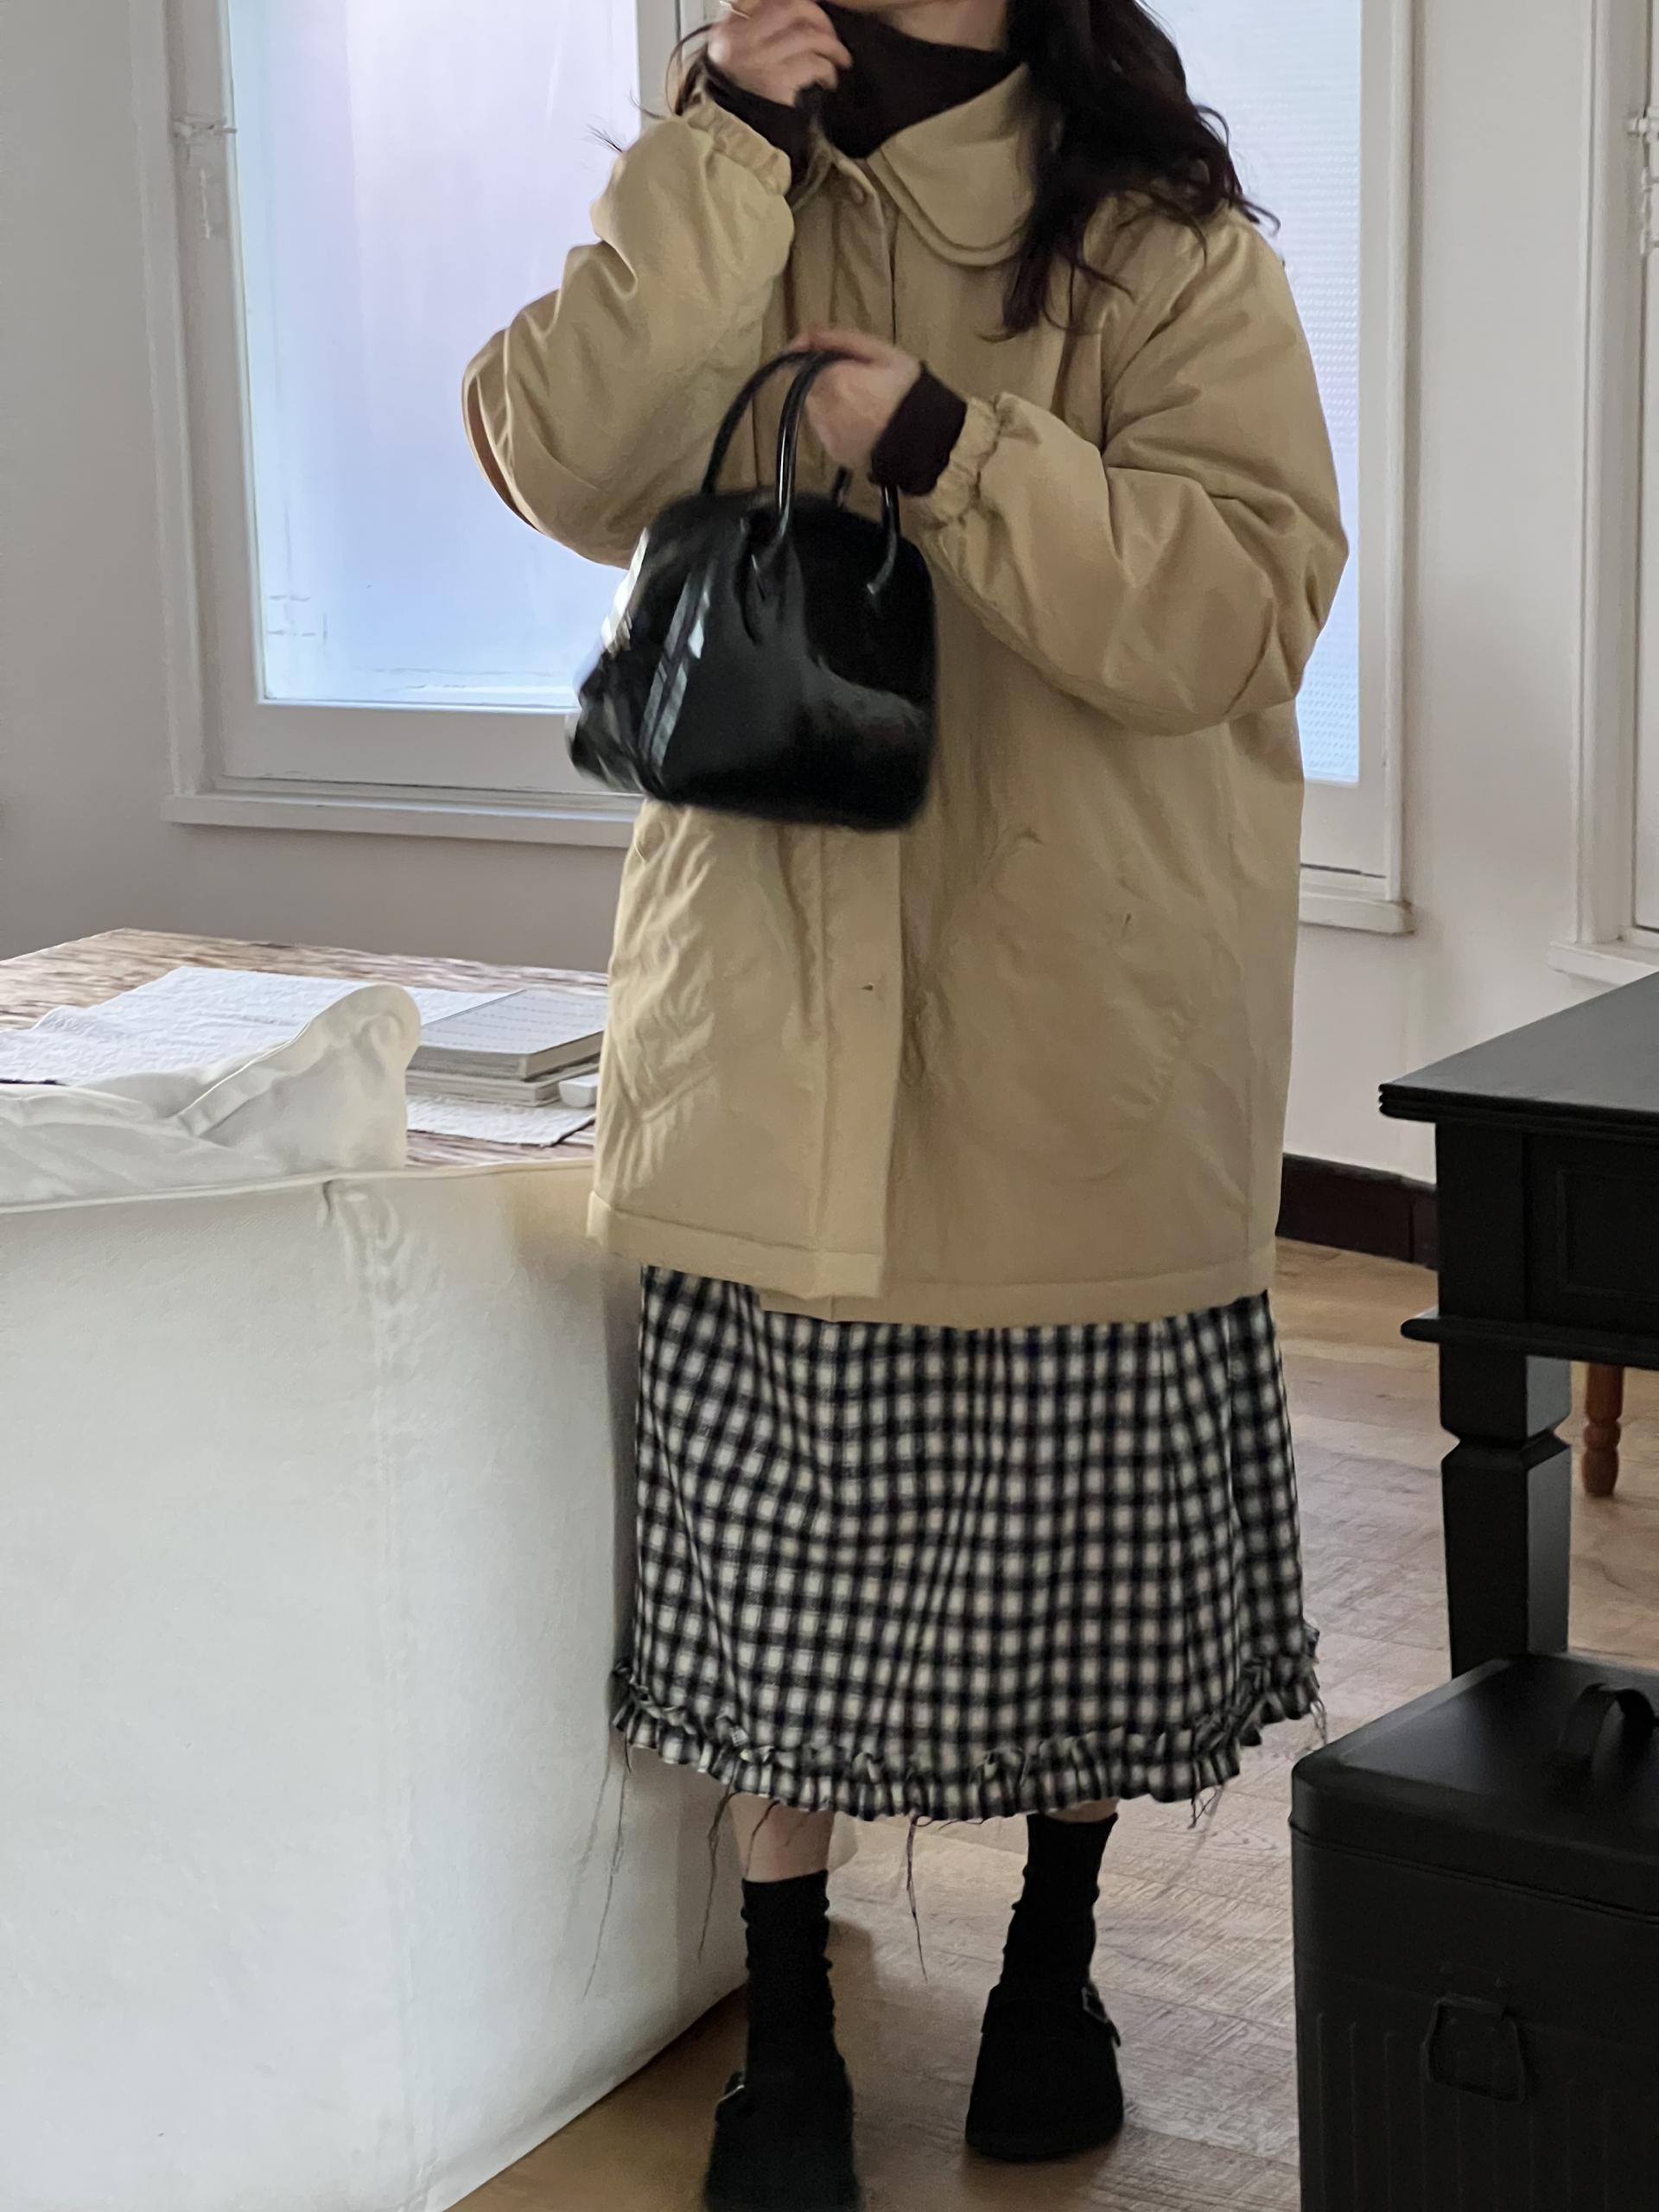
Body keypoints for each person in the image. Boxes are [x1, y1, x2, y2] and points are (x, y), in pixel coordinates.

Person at [464, 2, 1345, 2203]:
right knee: (770, 1582)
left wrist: (951, 442)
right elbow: (559, 460)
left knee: (1086, 1567)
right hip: (772, 1007)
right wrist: (713, 153)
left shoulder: (1159, 239)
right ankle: (790, 2035)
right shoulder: (732, 179)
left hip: (1076, 1010)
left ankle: (1052, 1964)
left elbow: (1243, 605)